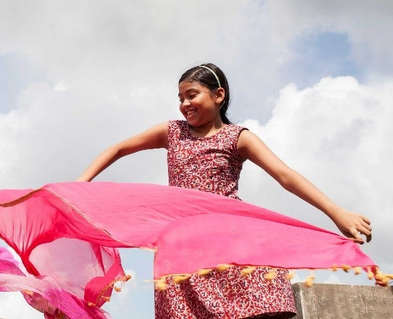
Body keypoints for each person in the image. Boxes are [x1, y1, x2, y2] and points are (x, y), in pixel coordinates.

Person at [76, 63, 372, 318]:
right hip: (181, 242)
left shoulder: (237, 137)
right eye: (180, 98)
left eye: (192, 95)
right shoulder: (172, 132)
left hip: (227, 236)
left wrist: (336, 211)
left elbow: (285, 175)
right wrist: (80, 184)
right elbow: (118, 148)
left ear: (219, 95)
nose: (184, 104)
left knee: (254, 299)